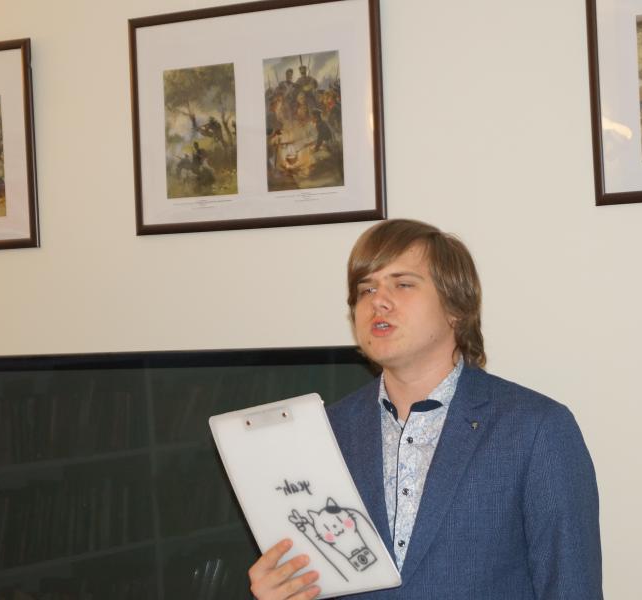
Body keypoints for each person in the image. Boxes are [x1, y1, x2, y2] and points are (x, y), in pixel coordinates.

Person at [248, 219, 602, 599]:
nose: (378, 301)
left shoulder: (536, 429)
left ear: (456, 308)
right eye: (366, 289)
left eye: (402, 284)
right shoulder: (324, 432)